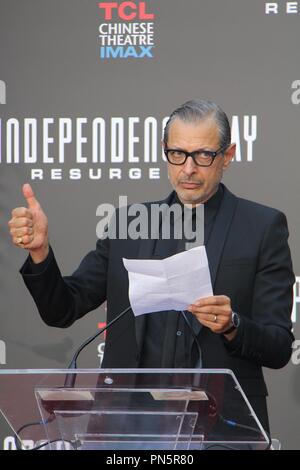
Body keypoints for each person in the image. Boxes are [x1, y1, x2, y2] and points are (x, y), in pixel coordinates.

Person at [8, 99, 294, 436]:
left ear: (227, 156)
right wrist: (41, 253)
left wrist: (232, 325)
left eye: (203, 155)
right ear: (164, 150)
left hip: (222, 431)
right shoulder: (128, 224)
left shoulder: (262, 226)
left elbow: (277, 346)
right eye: (177, 154)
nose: (188, 169)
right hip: (126, 428)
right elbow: (62, 309)